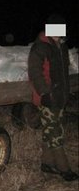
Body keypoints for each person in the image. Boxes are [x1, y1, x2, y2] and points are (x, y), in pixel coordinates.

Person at [28, 13, 78, 181]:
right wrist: (44, 93)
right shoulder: (40, 47)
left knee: (50, 130)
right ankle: (64, 169)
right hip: (47, 97)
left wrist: (65, 93)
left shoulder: (61, 46)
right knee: (56, 132)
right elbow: (35, 73)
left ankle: (46, 163)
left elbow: (63, 73)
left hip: (59, 96)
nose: (59, 33)